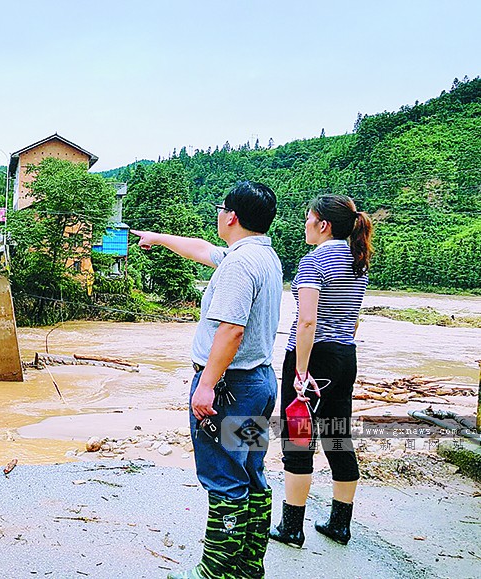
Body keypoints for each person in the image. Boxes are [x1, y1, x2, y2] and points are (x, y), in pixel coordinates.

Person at [132, 181, 282, 579]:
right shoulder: (262, 255)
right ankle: (247, 566)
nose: (218, 214)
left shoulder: (239, 264)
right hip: (259, 383)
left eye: (220, 208)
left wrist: (206, 385)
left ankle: (215, 572)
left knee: (224, 477)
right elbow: (201, 248)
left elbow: (230, 331)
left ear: (231, 216)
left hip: (230, 390)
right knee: (250, 472)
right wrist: (158, 238)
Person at [270, 195, 373, 548]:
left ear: (322, 224)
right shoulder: (358, 260)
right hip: (345, 357)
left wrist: (300, 370)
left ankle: (291, 528)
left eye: (307, 219)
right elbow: (352, 318)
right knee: (337, 436)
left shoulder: (314, 261)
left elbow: (308, 320)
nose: (305, 225)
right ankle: (340, 525)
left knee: (298, 438)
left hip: (312, 359)